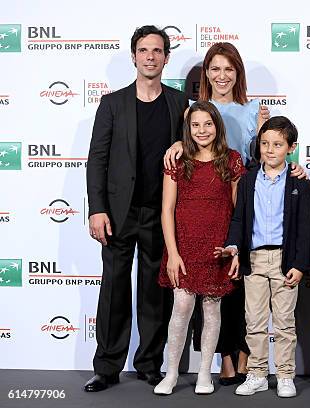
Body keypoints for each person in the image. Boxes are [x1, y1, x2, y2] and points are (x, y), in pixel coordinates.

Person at [164, 42, 305, 385]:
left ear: (237, 73)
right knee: (210, 298)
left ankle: (247, 360)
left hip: (241, 205)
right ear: (205, 75)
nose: (222, 75)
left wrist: (293, 169)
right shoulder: (194, 111)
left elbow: (267, 154)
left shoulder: (254, 109)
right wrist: (179, 143)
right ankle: (223, 361)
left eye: (229, 69)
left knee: (241, 291)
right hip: (205, 208)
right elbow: (188, 145)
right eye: (215, 69)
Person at [85, 25, 189, 392]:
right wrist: (97, 208)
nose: (150, 57)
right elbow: (97, 159)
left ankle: (149, 363)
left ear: (166, 57)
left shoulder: (179, 103)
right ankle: (107, 366)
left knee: (153, 291)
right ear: (134, 56)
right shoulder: (112, 103)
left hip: (160, 212)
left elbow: (191, 153)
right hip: (117, 213)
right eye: (143, 50)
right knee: (113, 289)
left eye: (157, 51)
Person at [215, 116, 310, 398]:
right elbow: (238, 219)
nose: (270, 150)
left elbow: (304, 229)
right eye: (265, 143)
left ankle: (284, 375)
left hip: (284, 261)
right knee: (254, 321)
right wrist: (233, 245)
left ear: (291, 148)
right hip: (254, 260)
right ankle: (256, 372)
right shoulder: (247, 181)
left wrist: (299, 264)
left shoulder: (299, 183)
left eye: (278, 144)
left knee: (284, 322)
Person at [153, 101, 244, 395]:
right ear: (187, 128)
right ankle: (171, 373)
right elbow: (166, 209)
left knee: (212, 308)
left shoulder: (231, 160)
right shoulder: (176, 161)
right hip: (183, 247)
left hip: (216, 248)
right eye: (195, 125)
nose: (202, 130)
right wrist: (173, 253)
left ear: (217, 126)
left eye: (208, 124)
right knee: (181, 307)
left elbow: (236, 209)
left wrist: (234, 248)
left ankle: (205, 372)